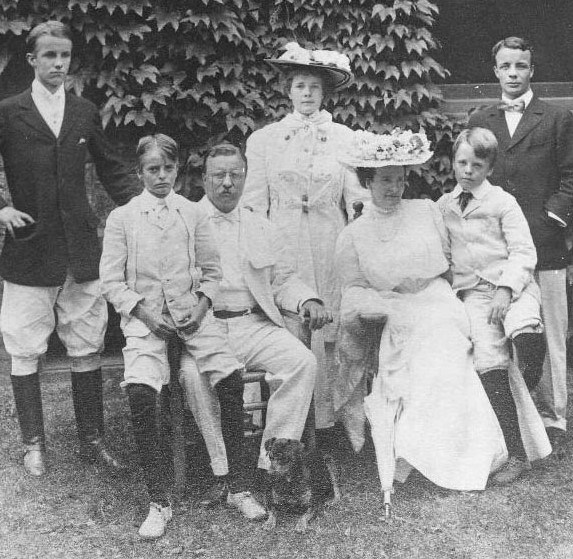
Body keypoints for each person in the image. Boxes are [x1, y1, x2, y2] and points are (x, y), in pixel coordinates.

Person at [335, 128, 511, 502]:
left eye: (399, 180)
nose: (394, 188)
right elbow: (352, 288)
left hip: (437, 299)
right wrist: (380, 306)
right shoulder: (354, 233)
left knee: (444, 347)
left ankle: (459, 454)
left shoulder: (425, 211)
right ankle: (417, 454)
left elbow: (448, 265)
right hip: (395, 307)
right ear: (368, 180)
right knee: (418, 352)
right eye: (385, 180)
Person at [0, 21, 139, 478]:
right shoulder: (9, 111)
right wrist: (1, 208)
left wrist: (146, 212)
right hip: (30, 250)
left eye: (65, 56)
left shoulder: (84, 111)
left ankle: (92, 439)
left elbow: (112, 169)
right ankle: (34, 444)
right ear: (31, 61)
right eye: (50, 56)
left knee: (86, 343)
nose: (59, 64)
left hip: (81, 250)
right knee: (25, 344)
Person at [100, 134, 252, 538]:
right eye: (153, 169)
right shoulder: (123, 218)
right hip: (145, 323)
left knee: (231, 377)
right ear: (140, 173)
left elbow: (212, 271)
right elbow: (111, 282)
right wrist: (145, 314)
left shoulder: (192, 213)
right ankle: (159, 499)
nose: (162, 176)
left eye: (168, 168)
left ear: (179, 171)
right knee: (141, 393)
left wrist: (200, 307)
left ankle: (239, 484)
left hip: (193, 317)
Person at [179, 142, 331, 509]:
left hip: (254, 323)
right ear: (204, 179)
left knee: (302, 362)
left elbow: (282, 280)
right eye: (219, 176)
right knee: (193, 377)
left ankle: (271, 461)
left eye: (236, 175)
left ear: (246, 178)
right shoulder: (184, 223)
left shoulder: (261, 225)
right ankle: (223, 470)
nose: (228, 183)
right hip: (207, 328)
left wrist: (308, 299)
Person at [241, 42, 368, 441]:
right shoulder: (264, 140)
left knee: (330, 325)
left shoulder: (345, 138)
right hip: (282, 244)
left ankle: (327, 423)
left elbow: (356, 199)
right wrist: (255, 253)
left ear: (325, 92)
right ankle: (288, 430)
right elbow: (252, 205)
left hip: (330, 242)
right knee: (289, 324)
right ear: (288, 90)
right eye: (299, 85)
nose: (307, 93)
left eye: (314, 86)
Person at [468, 37, 573, 457]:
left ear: (532, 70)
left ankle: (553, 413)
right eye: (506, 66)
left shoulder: (558, 118)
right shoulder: (481, 116)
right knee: (498, 327)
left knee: (550, 327)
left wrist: (550, 219)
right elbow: (473, 174)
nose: (513, 74)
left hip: (543, 240)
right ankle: (509, 414)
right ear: (495, 70)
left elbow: (570, 178)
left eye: (521, 66)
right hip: (495, 247)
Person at [438, 127, 550, 484]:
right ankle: (515, 452)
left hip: (512, 288)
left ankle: (529, 387)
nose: (468, 171)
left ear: (490, 168)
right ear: (453, 162)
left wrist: (506, 289)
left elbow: (524, 252)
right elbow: (443, 255)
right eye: (462, 162)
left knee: (524, 329)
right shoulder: (444, 206)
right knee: (489, 362)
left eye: (477, 164)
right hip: (474, 294)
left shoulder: (502, 202)